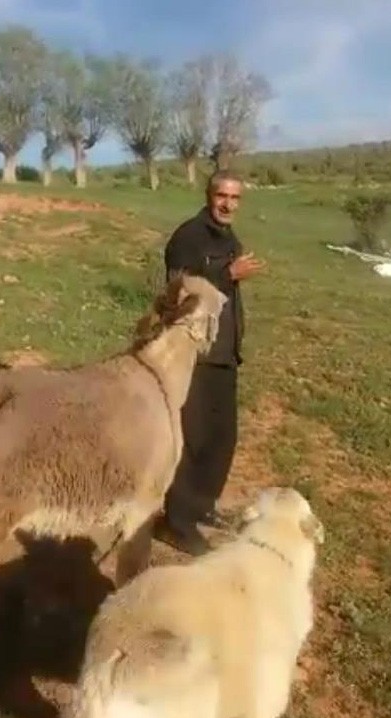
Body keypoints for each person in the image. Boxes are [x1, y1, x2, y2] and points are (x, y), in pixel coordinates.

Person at [154, 170, 264, 555]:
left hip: (224, 352)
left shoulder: (228, 237)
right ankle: (176, 523)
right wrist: (226, 273)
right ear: (208, 194)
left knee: (221, 438)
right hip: (196, 352)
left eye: (235, 198)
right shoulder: (189, 236)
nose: (228, 204)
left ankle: (201, 506)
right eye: (222, 196)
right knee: (195, 438)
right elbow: (178, 288)